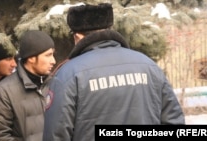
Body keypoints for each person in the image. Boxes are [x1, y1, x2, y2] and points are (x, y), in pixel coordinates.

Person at [43, 3, 185, 141]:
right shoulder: (148, 66)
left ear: (78, 37)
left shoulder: (68, 74)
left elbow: (56, 134)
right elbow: (173, 121)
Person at [0, 30, 56, 140]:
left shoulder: (56, 83)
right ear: (31, 58)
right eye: (48, 55)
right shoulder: (5, 90)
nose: (53, 60)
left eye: (53, 54)